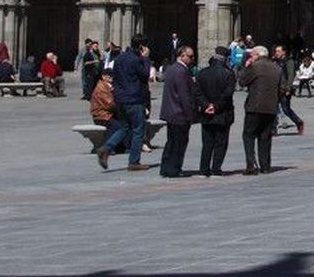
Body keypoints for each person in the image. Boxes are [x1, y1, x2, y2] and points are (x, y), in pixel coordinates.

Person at [97, 37, 151, 171]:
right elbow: (145, 75)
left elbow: (115, 77)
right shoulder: (137, 59)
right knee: (138, 130)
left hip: (121, 99)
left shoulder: (120, 58)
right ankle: (134, 162)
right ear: (141, 47)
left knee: (124, 127)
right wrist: (145, 58)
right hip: (134, 99)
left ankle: (106, 148)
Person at [239, 45, 283, 174]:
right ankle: (265, 166)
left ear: (258, 55)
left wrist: (246, 67)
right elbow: (282, 88)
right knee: (265, 136)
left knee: (248, 135)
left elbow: (242, 81)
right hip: (271, 108)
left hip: (254, 106)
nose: (251, 57)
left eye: (252, 55)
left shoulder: (255, 67)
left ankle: (251, 165)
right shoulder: (277, 68)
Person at [194, 46, 237, 176]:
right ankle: (216, 168)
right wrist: (216, 106)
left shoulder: (202, 73)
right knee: (221, 142)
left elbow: (197, 93)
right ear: (225, 59)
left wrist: (206, 105)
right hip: (223, 113)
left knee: (207, 143)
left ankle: (204, 168)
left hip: (206, 113)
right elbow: (227, 94)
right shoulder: (228, 74)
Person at [159, 45, 197, 178]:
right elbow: (184, 95)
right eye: (190, 56)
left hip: (171, 112)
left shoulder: (171, 69)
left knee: (171, 142)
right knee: (178, 143)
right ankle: (174, 169)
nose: (192, 59)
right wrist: (190, 115)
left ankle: (165, 168)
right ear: (181, 55)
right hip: (179, 113)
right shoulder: (181, 71)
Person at [273, 44, 305, 136]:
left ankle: (298, 122)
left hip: (284, 89)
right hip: (276, 88)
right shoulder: (275, 61)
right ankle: (273, 128)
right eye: (276, 51)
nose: (276, 53)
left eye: (278, 51)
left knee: (286, 109)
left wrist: (288, 88)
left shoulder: (289, 61)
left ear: (284, 52)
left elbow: (291, 75)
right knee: (274, 109)